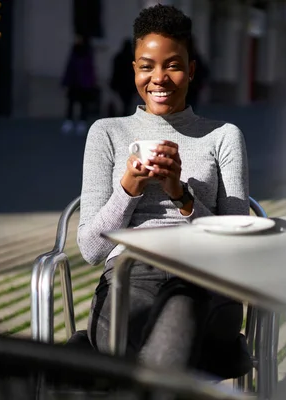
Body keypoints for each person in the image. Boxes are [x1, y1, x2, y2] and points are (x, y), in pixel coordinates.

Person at [77, 4, 249, 373]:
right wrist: (129, 188)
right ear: (134, 69)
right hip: (130, 273)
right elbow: (91, 250)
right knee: (159, 326)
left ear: (191, 70)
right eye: (147, 66)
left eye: (172, 65)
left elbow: (236, 249)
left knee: (182, 307)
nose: (159, 78)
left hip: (204, 275)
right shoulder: (106, 133)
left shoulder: (223, 136)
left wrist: (181, 196)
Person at [61, 35, 96, 136]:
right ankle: (69, 121)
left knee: (83, 104)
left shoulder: (87, 54)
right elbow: (69, 68)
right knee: (71, 103)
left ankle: (82, 122)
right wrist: (66, 82)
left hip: (84, 84)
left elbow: (90, 70)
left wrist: (91, 83)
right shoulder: (74, 53)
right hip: (74, 83)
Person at [110, 39, 138, 116]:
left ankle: (124, 115)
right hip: (129, 85)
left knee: (122, 103)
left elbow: (115, 72)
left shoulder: (118, 57)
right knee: (127, 104)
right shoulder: (132, 58)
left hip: (121, 85)